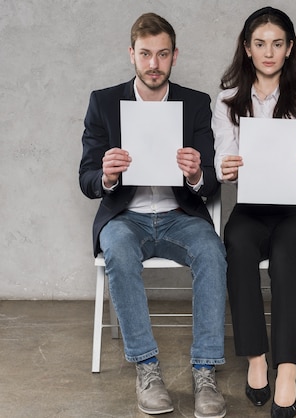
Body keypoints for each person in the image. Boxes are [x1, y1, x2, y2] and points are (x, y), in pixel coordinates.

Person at [78, 13, 227, 418]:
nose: (153, 64)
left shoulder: (195, 104)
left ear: (174, 56)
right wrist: (106, 176)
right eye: (145, 54)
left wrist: (197, 174)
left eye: (162, 54)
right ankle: (147, 368)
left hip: (181, 216)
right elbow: (86, 176)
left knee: (213, 253)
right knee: (119, 251)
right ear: (132, 54)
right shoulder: (104, 102)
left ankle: (205, 370)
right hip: (127, 217)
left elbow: (212, 181)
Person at [211, 6, 296, 418]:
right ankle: (256, 357)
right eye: (260, 44)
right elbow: (224, 155)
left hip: (294, 208)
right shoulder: (227, 101)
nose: (269, 52)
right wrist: (226, 165)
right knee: (237, 246)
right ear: (247, 48)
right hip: (250, 208)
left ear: (289, 48)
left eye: (277, 44)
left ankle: (288, 368)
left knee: (283, 257)